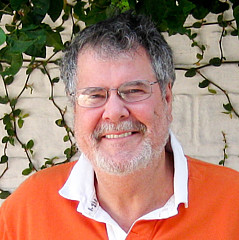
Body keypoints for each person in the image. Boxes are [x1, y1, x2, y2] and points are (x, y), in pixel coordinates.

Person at [1, 11, 239, 240]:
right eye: (94, 95)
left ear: (167, 98)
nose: (114, 113)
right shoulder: (27, 211)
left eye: (134, 90)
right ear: (74, 107)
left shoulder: (232, 203)